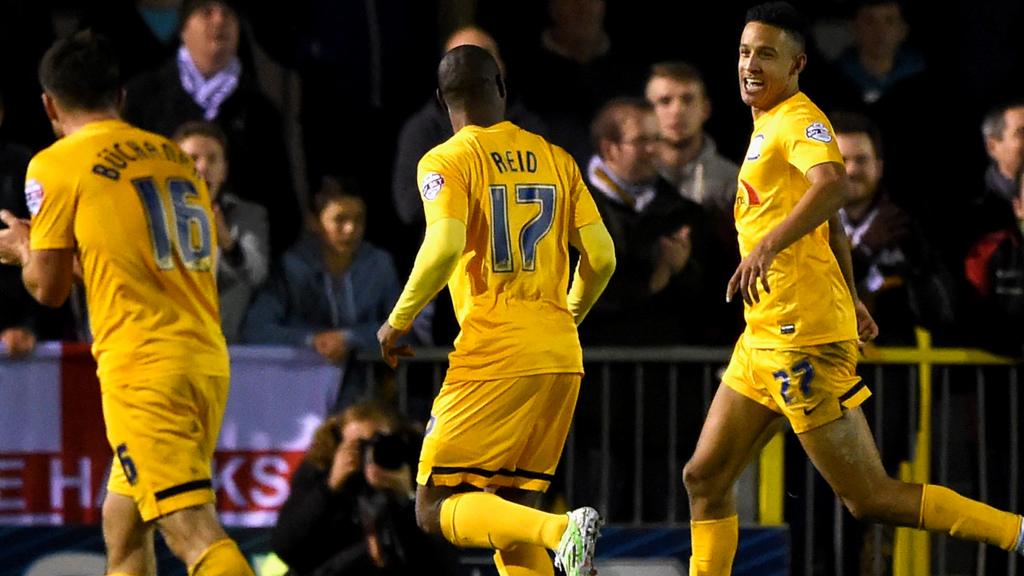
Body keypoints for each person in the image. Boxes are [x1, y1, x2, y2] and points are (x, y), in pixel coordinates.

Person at [681, 4, 1024, 575]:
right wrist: (853, 292)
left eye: (766, 53)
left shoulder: (797, 120)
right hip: (762, 336)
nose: (750, 64)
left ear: (798, 64)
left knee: (869, 498)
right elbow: (831, 223)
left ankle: (1015, 532)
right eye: (745, 52)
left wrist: (768, 245)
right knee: (704, 475)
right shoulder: (764, 123)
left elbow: (833, 186)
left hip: (802, 339)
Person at [0, 32, 253, 574]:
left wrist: (24, 247)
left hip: (145, 370)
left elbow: (48, 290)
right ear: (121, 97)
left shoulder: (55, 164)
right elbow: (136, 260)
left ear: (49, 104)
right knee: (123, 519)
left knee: (193, 534)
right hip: (204, 359)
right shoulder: (175, 157)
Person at [376, 45, 616, 576]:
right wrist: (567, 315)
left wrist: (398, 319)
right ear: (501, 89)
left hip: (495, 352)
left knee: (434, 507)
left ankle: (562, 530)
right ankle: (553, 534)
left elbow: (442, 245)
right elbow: (602, 258)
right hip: (560, 353)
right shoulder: (558, 158)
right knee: (507, 515)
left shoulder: (446, 160)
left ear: (442, 102)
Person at [123, 0, 300, 257]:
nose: (219, 21)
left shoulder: (260, 110)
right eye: (206, 12)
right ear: (183, 28)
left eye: (229, 14)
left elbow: (282, 208)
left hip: (239, 265)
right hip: (158, 256)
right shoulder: (142, 97)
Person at [242, 177, 401, 412]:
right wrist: (312, 341)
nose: (351, 229)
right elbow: (256, 328)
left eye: (358, 219)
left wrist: (350, 338)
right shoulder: (292, 266)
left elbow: (403, 328)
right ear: (315, 222)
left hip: (367, 397)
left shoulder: (379, 265)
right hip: (300, 398)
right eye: (340, 220)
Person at [581, 97, 714, 346]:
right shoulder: (571, 209)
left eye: (657, 139)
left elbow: (708, 302)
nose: (653, 149)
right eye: (642, 141)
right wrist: (655, 279)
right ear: (610, 149)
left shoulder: (683, 214)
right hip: (595, 365)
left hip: (664, 369)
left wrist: (683, 269)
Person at [272, 401, 458, 575]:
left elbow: (442, 561)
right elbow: (286, 546)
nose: (369, 454)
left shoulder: (415, 464)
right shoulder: (320, 469)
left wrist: (408, 496)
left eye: (379, 444)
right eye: (359, 446)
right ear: (339, 445)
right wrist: (330, 488)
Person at [832, 110, 956, 345]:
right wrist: (864, 251)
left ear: (879, 167)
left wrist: (921, 266)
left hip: (899, 370)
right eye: (842, 160)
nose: (851, 170)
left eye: (861, 160)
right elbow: (814, 301)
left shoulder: (907, 225)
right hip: (828, 368)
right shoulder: (807, 225)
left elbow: (943, 314)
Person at [174, 120, 269, 343]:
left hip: (226, 350)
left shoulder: (248, 216)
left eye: (213, 159)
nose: (203, 167)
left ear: (224, 171)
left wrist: (226, 241)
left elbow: (257, 275)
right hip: (166, 349)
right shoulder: (150, 217)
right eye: (192, 158)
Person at [644, 61, 739, 218]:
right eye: (665, 101)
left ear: (705, 109)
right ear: (647, 112)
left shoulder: (732, 181)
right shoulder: (633, 174)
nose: (677, 111)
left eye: (687, 100)